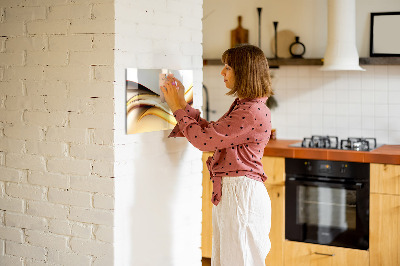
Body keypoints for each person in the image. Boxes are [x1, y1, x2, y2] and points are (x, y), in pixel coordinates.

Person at [161, 44, 273, 266]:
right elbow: (212, 133)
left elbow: (204, 141)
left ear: (244, 72)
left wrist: (176, 108)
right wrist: (183, 104)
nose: (222, 72)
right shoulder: (246, 106)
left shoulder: (250, 111)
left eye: (228, 67)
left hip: (241, 195)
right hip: (236, 193)